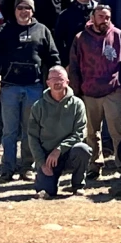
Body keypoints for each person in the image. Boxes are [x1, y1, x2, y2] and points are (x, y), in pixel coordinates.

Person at [0, 0, 61, 182]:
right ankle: (7, 168)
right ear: (14, 10)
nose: (23, 11)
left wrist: (55, 80)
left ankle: (27, 167)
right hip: (10, 87)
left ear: (32, 11)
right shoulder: (4, 31)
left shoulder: (42, 30)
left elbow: (53, 57)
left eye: (27, 8)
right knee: (9, 131)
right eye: (20, 8)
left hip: (33, 87)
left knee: (30, 130)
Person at [68, 5, 121, 179]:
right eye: (100, 16)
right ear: (93, 17)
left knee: (117, 132)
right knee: (91, 132)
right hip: (89, 92)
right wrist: (77, 89)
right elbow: (73, 65)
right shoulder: (81, 38)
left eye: (107, 17)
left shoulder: (118, 36)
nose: (104, 20)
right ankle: (94, 164)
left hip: (113, 91)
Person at [27, 66, 93, 198]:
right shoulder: (38, 106)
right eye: (53, 79)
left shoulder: (77, 104)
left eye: (60, 79)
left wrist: (59, 149)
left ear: (67, 82)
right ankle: (45, 180)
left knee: (83, 149)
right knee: (47, 193)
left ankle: (78, 185)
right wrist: (41, 162)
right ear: (48, 83)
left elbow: (80, 133)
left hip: (69, 153)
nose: (57, 82)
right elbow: (32, 137)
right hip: (47, 157)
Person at [54, 0, 97, 67]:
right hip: (74, 60)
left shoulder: (98, 13)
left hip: (95, 60)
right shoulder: (65, 15)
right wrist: (65, 61)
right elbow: (59, 40)